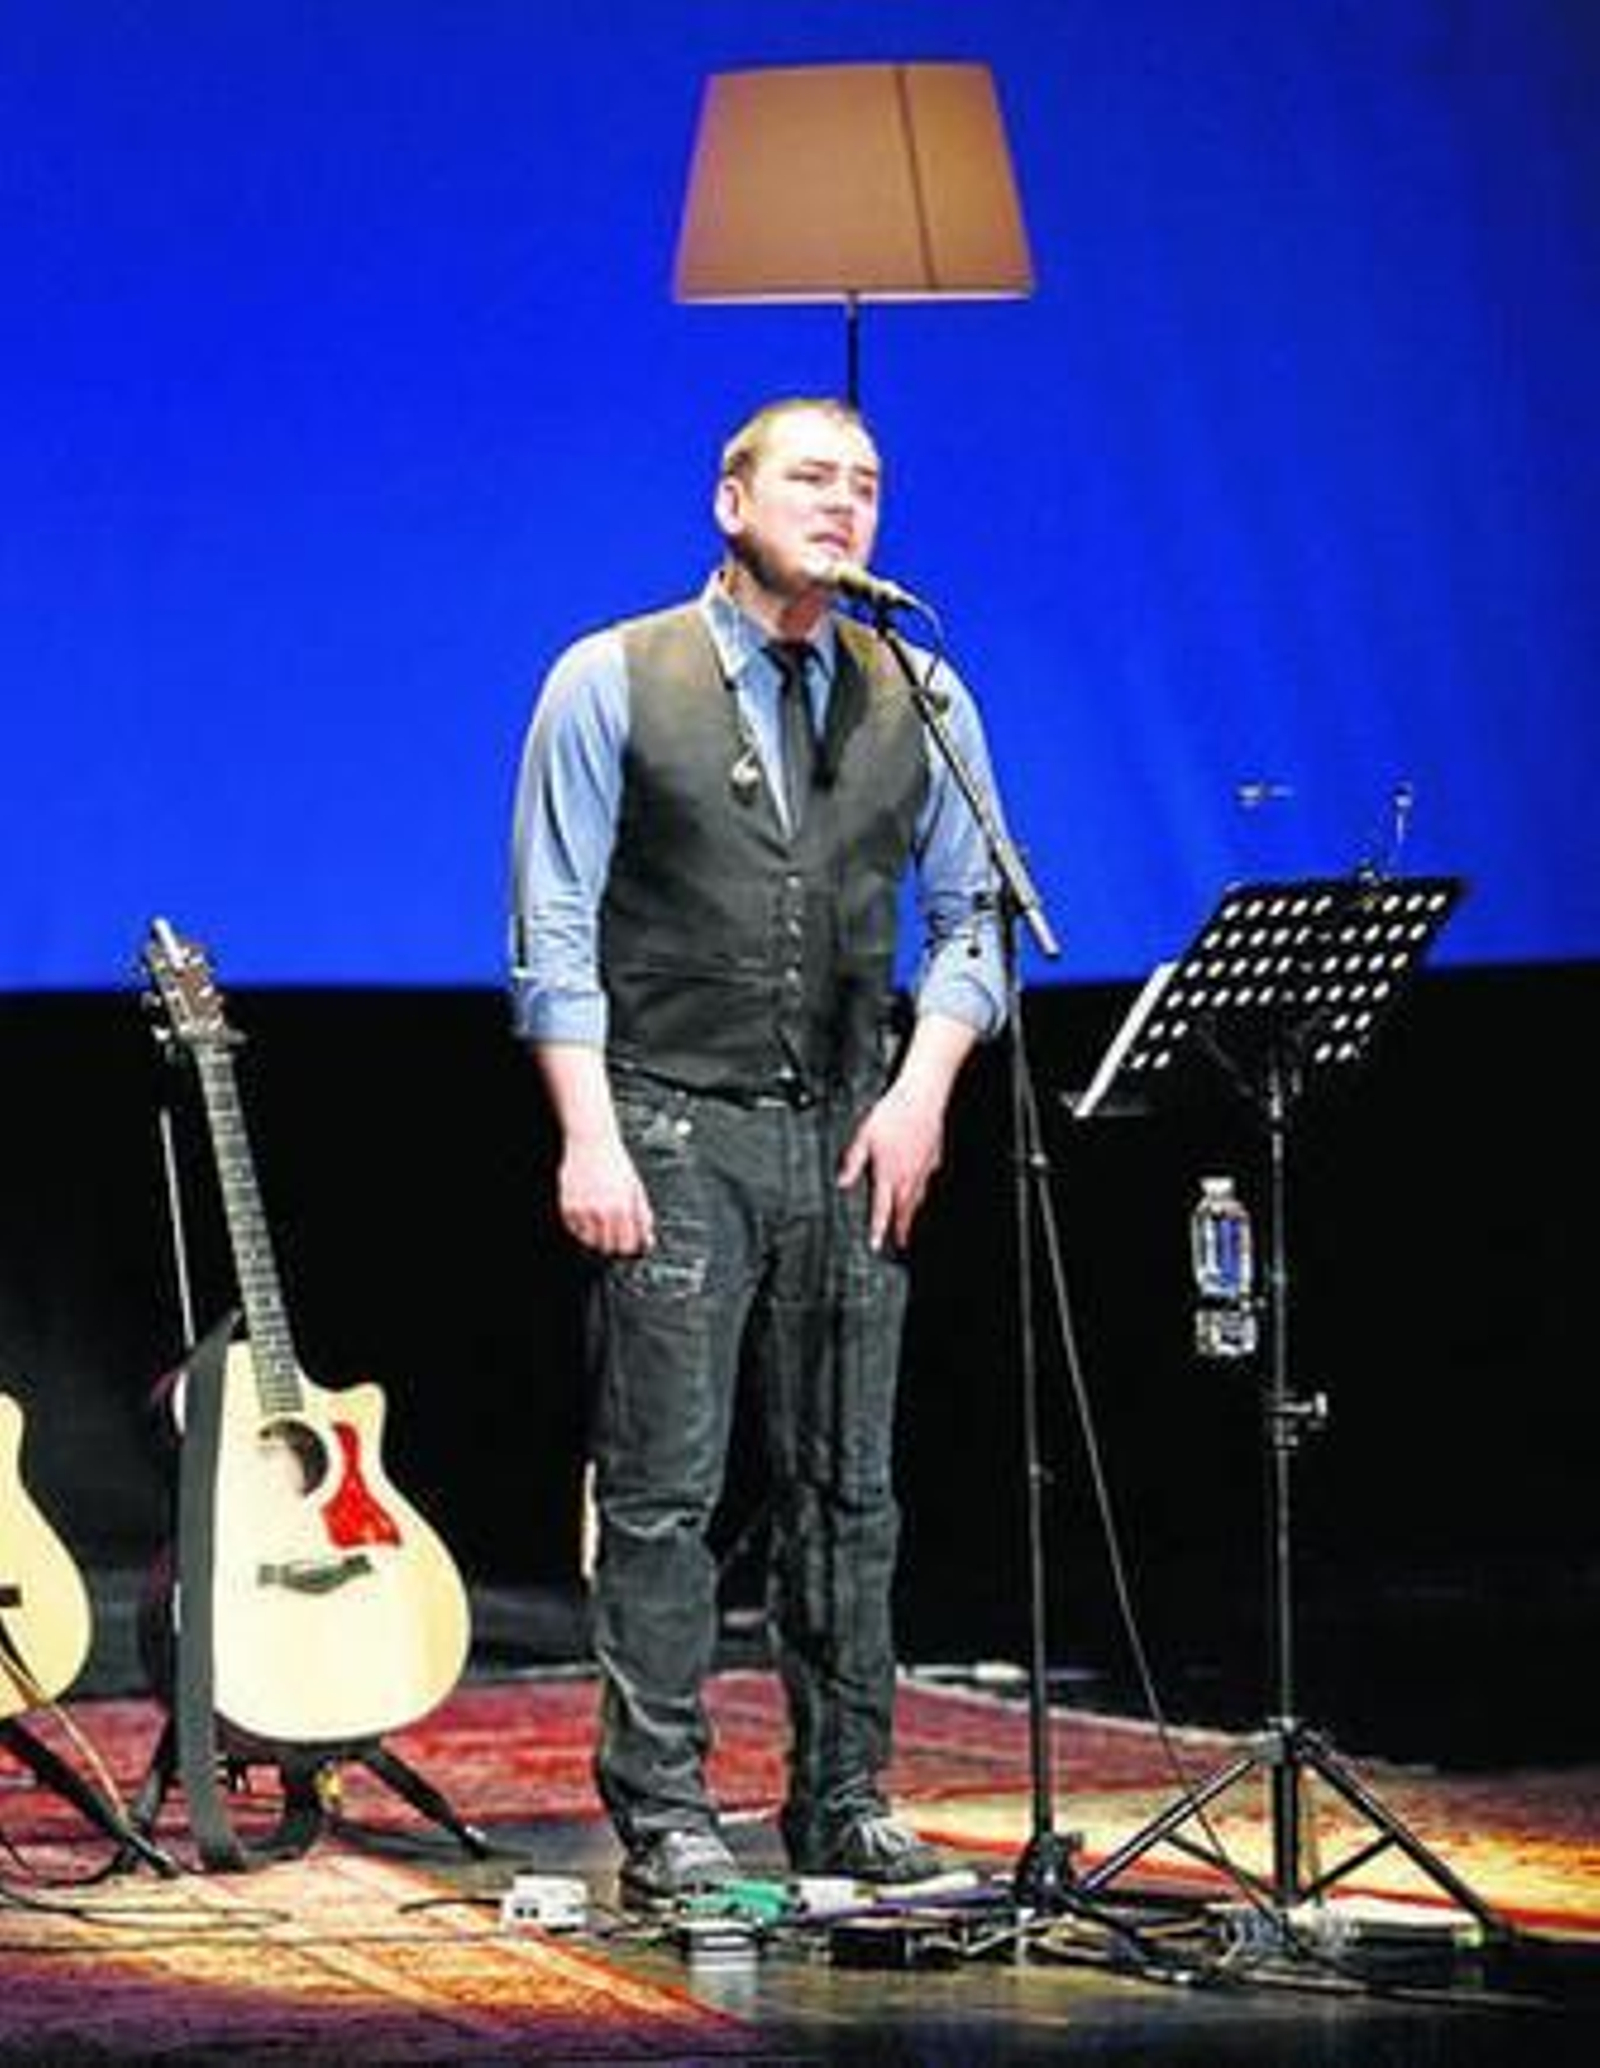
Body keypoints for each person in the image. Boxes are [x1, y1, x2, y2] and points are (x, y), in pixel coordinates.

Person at [508, 395, 1008, 1906]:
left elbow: (974, 919)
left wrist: (922, 1091)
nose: (844, 504)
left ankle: (845, 1799)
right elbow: (552, 926)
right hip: (669, 1118)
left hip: (850, 1129)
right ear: (732, 500)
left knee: (850, 1487)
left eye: (866, 482)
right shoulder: (611, 677)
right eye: (811, 477)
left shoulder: (916, 690)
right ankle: (664, 1808)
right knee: (663, 1489)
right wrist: (588, 1138)